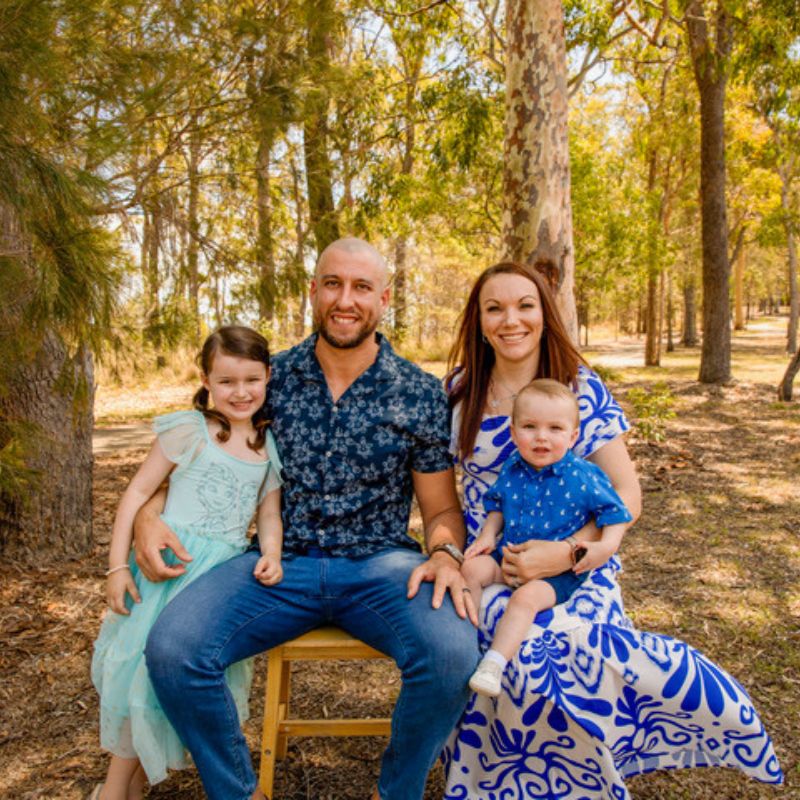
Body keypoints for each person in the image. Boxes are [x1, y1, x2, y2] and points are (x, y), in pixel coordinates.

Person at [133, 238, 478, 800]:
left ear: (384, 298)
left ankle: (398, 791)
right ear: (313, 291)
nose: (346, 299)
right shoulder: (269, 379)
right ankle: (238, 792)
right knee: (173, 649)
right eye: (334, 283)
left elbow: (440, 508)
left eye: (362, 287)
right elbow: (190, 452)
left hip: (381, 565)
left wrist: (444, 553)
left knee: (453, 655)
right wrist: (149, 513)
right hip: (276, 564)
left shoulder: (417, 392)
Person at [442, 262, 782, 798]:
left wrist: (571, 554)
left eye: (525, 305)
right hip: (487, 559)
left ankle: (573, 780)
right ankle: (495, 780)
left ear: (544, 313)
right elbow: (441, 493)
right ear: (479, 320)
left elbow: (626, 495)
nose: (511, 320)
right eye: (495, 307)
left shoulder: (580, 385)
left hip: (576, 564)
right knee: (473, 636)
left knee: (545, 652)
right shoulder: (459, 390)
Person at [89, 326, 284, 800]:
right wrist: (117, 568)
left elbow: (269, 512)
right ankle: (114, 791)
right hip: (165, 577)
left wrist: (273, 554)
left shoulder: (267, 443)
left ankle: (129, 787)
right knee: (139, 683)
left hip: (215, 585)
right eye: (226, 381)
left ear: (268, 377)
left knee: (173, 688)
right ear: (206, 380)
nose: (240, 393)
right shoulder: (189, 430)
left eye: (251, 380)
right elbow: (136, 494)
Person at [464, 380, 632, 697]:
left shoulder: (583, 475)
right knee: (472, 570)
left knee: (524, 600)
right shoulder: (513, 467)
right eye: (530, 427)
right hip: (509, 556)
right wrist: (488, 534)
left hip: (559, 572)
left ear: (573, 436)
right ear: (513, 433)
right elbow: (497, 504)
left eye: (555, 428)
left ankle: (494, 663)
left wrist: (605, 547)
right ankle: (464, 642)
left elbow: (615, 511)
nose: (542, 437)